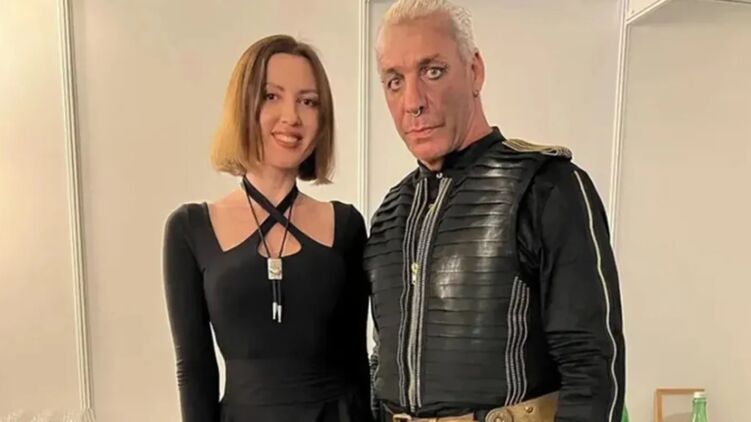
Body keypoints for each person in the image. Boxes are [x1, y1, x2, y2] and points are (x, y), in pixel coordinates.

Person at [364, 1, 626, 422]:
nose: (412, 102)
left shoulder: (547, 187)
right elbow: (382, 364)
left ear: (475, 71)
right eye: (395, 81)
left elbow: (592, 368)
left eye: (433, 71)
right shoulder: (389, 216)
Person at [162, 35, 372, 422]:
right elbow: (194, 371)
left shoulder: (346, 226)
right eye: (272, 96)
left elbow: (357, 360)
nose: (291, 116)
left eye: (308, 101)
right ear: (244, 106)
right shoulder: (189, 229)